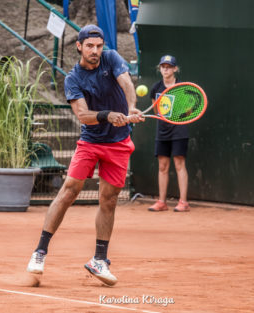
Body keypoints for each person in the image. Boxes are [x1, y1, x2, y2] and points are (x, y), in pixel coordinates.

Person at [26, 25, 144, 286]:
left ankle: (99, 259)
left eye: (99, 46)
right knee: (70, 190)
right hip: (91, 142)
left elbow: (126, 82)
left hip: (119, 142)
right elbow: (83, 115)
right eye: (90, 46)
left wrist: (132, 106)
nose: (95, 51)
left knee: (109, 200)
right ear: (79, 46)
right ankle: (40, 251)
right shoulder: (73, 79)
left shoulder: (111, 58)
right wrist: (107, 115)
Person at [147, 55, 190, 212]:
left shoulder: (182, 87)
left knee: (179, 164)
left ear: (175, 69)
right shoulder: (155, 88)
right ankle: (162, 202)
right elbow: (157, 111)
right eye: (163, 66)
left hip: (179, 130)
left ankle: (183, 202)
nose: (165, 69)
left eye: (169, 66)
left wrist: (178, 112)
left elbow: (189, 111)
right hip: (162, 131)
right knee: (163, 166)